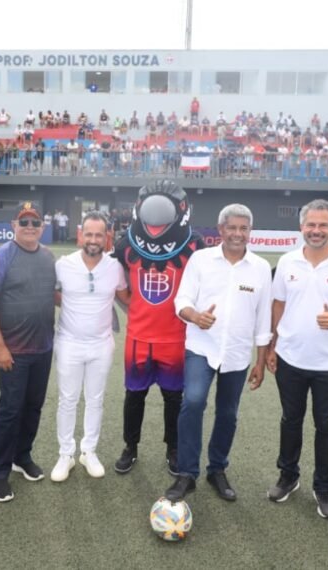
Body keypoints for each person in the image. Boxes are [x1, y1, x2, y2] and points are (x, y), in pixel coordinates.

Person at [266, 199, 328, 520]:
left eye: (323, 225)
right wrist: (271, 345)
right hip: (290, 358)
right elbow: (278, 305)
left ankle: (324, 488)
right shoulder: (287, 261)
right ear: (302, 227)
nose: (316, 230)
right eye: (311, 224)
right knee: (290, 420)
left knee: (326, 426)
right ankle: (288, 476)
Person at [164, 204, 272, 503]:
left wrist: (261, 361)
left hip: (237, 353)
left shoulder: (261, 267)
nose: (238, 234)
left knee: (227, 413)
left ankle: (217, 469)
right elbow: (182, 300)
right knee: (193, 402)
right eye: (232, 228)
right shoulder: (201, 260)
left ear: (250, 231)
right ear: (221, 229)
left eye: (243, 228)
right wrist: (195, 316)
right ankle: (187, 473)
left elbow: (264, 318)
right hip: (201, 348)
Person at [112, 181, 204, 476]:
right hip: (138, 338)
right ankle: (130, 447)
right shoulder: (125, 245)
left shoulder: (195, 246)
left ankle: (173, 449)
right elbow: (118, 284)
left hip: (175, 338)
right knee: (134, 396)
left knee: (173, 398)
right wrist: (134, 310)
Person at [0, 206, 57, 502]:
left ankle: (21, 457)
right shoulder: (1, 257)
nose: (29, 226)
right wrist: (0, 347)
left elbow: (55, 294)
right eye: (24, 221)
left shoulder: (48, 256)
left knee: (33, 406)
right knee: (10, 411)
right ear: (14, 224)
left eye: (35, 222)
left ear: (42, 226)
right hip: (14, 351)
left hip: (43, 348)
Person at [49, 212, 127, 483]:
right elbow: (53, 293)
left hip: (101, 344)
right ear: (81, 235)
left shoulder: (115, 267)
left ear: (107, 237)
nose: (93, 240)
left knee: (95, 399)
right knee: (67, 400)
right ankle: (65, 454)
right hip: (69, 343)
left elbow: (125, 297)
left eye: (99, 235)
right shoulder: (63, 264)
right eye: (89, 234)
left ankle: (88, 451)